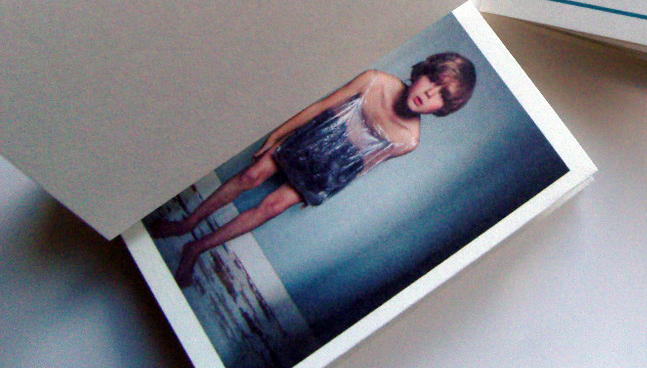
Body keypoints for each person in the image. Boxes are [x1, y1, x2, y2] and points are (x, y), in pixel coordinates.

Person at [151, 52, 476, 286]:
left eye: (441, 95)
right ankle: (186, 224)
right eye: (432, 80)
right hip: (312, 135)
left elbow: (361, 167)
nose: (429, 93)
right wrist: (277, 136)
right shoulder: (375, 80)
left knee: (272, 207)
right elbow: (321, 106)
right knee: (250, 176)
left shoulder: (409, 140)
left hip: (330, 168)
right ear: (421, 73)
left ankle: (196, 248)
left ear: (443, 108)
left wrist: (323, 192)